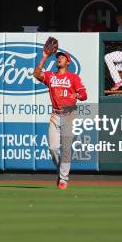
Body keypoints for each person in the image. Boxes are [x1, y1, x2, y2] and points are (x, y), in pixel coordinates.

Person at [33, 43, 87, 190]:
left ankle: (63, 179)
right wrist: (44, 57)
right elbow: (36, 74)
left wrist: (75, 94)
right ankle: (61, 171)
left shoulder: (73, 77)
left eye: (62, 57)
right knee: (53, 148)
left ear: (68, 62)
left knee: (66, 149)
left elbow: (84, 95)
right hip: (55, 115)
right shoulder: (51, 76)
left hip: (69, 114)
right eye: (58, 57)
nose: (59, 59)